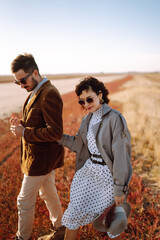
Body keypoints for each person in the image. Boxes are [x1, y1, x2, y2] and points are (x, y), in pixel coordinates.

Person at [58, 76, 133, 240]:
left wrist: (120, 187)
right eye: (82, 101)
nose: (86, 104)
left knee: (112, 221)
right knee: (73, 215)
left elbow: (122, 154)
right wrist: (56, 137)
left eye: (89, 99)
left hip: (107, 177)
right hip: (88, 174)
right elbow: (77, 145)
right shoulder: (87, 119)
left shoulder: (115, 118)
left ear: (100, 95)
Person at [10, 53, 65, 240]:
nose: (22, 86)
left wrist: (24, 132)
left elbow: (55, 132)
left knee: (23, 201)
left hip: (40, 160)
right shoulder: (36, 89)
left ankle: (21, 237)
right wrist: (23, 123)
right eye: (18, 83)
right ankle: (61, 228)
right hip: (40, 158)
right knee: (48, 194)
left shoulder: (49, 93)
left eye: (23, 80)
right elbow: (39, 120)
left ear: (35, 72)